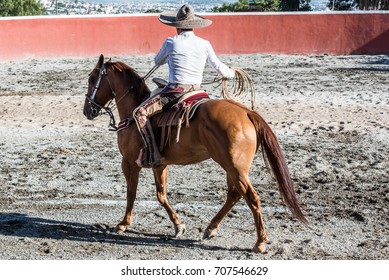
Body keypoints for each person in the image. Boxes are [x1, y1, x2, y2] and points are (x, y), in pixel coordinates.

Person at [133, 4, 235, 168]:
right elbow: (220, 68)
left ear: (176, 26)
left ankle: (153, 154)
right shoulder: (204, 43)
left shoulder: (171, 42)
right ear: (194, 25)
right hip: (198, 92)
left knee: (140, 112)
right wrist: (232, 72)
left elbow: (157, 61)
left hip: (175, 92)